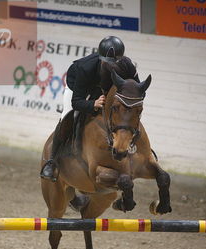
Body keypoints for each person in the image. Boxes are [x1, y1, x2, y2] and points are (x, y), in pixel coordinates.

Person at [40, 36, 138, 182]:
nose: (112, 66)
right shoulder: (85, 68)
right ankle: (52, 161)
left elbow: (136, 89)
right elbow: (76, 102)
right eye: (107, 63)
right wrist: (93, 104)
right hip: (79, 88)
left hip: (105, 90)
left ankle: (135, 148)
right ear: (101, 59)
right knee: (68, 116)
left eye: (116, 63)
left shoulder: (128, 65)